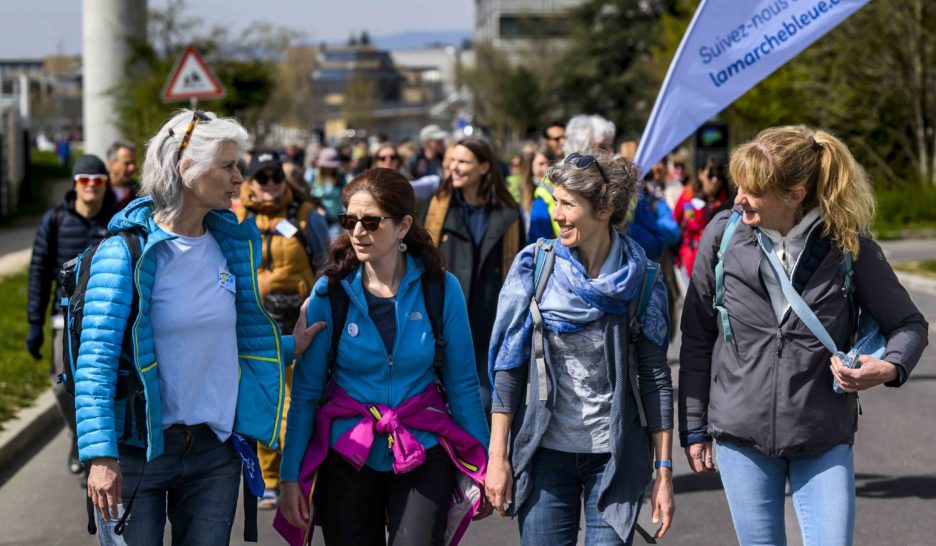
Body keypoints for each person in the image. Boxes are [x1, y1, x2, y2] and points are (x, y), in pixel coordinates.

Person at [77, 109, 320, 545]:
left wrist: (289, 345)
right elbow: (95, 362)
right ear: (185, 167)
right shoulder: (122, 254)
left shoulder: (228, 244)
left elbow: (228, 339)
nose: (240, 178)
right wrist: (100, 455)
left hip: (213, 451)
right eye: (228, 165)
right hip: (139, 454)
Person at [679, 126, 929, 546]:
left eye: (752, 190)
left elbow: (909, 325)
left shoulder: (848, 244)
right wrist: (694, 427)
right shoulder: (722, 237)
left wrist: (887, 367)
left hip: (822, 434)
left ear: (795, 195)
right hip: (741, 437)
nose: (737, 198)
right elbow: (697, 338)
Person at [277, 168, 491, 545]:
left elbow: (463, 385)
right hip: (346, 455)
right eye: (349, 220)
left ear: (404, 225)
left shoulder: (442, 289)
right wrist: (290, 475)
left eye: (371, 222)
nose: (358, 231)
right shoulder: (330, 293)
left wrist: (483, 466)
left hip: (424, 448)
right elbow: (307, 393)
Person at [485, 149, 675, 545]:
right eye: (556, 201)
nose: (557, 214)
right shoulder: (535, 269)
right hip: (544, 455)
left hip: (615, 458)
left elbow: (656, 380)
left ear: (604, 209)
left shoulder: (642, 280)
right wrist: (497, 457)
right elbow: (509, 368)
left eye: (569, 204)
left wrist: (664, 471)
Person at [235, 150, 327, 509]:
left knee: (302, 397)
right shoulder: (235, 217)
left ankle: (300, 473)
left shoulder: (304, 216)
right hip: (257, 320)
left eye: (277, 176)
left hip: (302, 316)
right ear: (251, 182)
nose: (271, 184)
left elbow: (326, 263)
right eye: (263, 177)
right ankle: (271, 479)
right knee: (268, 399)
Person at [27, 154, 118, 479]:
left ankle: (104, 445)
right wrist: (34, 323)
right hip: (63, 317)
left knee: (105, 381)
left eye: (97, 181)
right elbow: (38, 271)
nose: (91, 187)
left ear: (105, 184)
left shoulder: (117, 220)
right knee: (60, 385)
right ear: (75, 184)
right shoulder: (54, 220)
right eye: (84, 181)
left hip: (105, 314)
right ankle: (79, 438)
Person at [422, 138, 523, 411]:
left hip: (488, 326)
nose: (454, 167)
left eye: (463, 162)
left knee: (484, 403)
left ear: (484, 167)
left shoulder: (509, 213)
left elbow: (519, 273)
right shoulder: (435, 209)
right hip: (440, 322)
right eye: (452, 160)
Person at [673, 157, 731, 279]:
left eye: (719, 176)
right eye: (710, 175)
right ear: (700, 174)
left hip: (718, 264)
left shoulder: (728, 200)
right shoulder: (688, 195)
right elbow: (676, 221)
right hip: (690, 259)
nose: (715, 180)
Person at [518, 144, 559, 243]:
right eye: (541, 164)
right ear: (531, 165)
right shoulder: (524, 190)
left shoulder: (551, 189)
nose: (546, 169)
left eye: (549, 163)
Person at [307, 147, 347, 229]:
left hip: (335, 219)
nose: (329, 169)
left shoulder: (340, 177)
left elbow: (346, 195)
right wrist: (317, 207)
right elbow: (307, 195)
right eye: (326, 166)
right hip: (318, 218)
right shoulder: (313, 176)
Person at [107, 141, 138, 210]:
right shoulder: (99, 190)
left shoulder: (139, 191)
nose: (132, 168)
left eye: (133, 163)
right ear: (111, 164)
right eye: (127, 163)